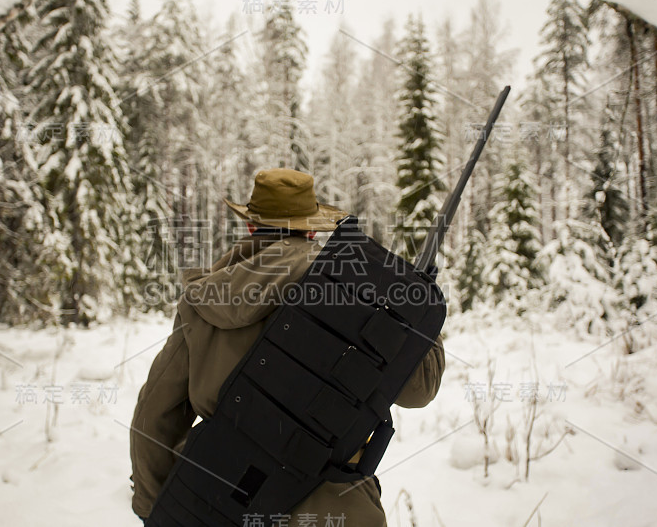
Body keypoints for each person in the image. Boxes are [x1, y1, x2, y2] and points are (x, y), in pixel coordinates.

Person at [129, 168, 445, 526]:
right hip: (334, 509)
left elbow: (153, 417)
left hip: (221, 502)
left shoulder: (204, 298)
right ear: (311, 229)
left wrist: (156, 508)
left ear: (251, 225)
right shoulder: (355, 290)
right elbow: (419, 391)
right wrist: (416, 316)